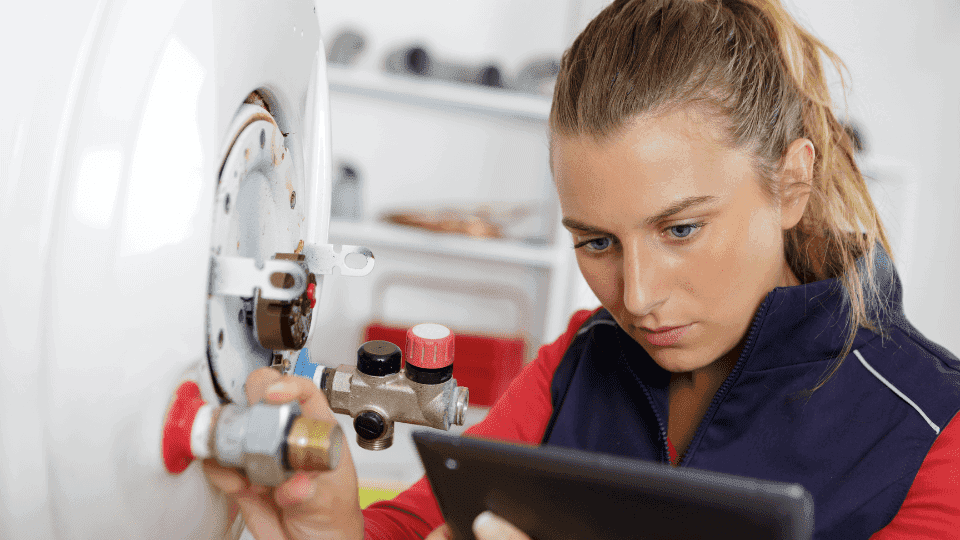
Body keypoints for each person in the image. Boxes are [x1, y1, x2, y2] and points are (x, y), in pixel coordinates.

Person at [204, 0, 960, 538]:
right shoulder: (579, 358)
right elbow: (421, 524)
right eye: (597, 242)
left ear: (791, 183)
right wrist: (333, 525)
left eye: (682, 228)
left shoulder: (936, 426)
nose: (637, 297)